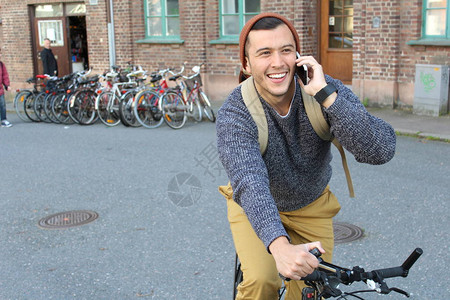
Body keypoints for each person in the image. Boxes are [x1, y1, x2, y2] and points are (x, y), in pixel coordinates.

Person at [216, 13, 396, 300]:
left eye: (286, 50)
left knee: (314, 288)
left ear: (298, 55)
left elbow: (380, 150)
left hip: (311, 204)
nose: (278, 63)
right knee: (262, 282)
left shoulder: (322, 88)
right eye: (265, 53)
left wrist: (327, 96)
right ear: (246, 64)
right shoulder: (235, 112)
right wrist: (279, 246)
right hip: (256, 207)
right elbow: (249, 181)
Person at [0, 48, 12, 127]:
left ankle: (3, 120)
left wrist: (7, 85)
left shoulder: (1, 64)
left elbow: (4, 75)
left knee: (2, 105)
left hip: (0, 89)